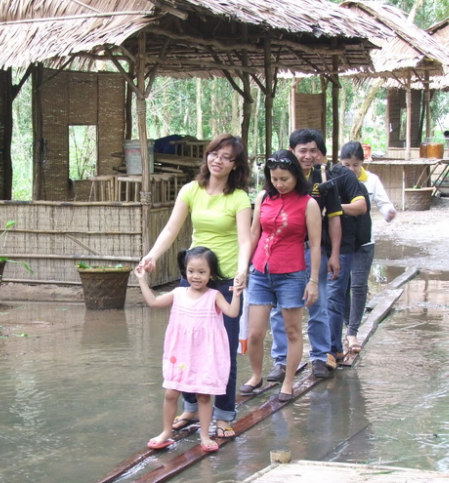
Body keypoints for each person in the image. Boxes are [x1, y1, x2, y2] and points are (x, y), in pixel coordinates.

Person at [139, 134, 251, 438]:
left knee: (223, 351)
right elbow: (171, 229)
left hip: (227, 281)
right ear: (208, 156)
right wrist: (151, 256)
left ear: (235, 165)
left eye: (227, 157)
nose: (218, 160)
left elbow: (245, 239)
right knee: (187, 345)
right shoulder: (192, 190)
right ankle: (190, 407)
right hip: (194, 278)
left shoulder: (239, 197)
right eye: (215, 153)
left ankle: (224, 414)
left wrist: (242, 271)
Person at [135, 247, 243, 452]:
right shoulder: (178, 293)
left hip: (204, 355)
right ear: (185, 271)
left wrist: (236, 293)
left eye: (202, 272)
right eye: (191, 271)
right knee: (170, 393)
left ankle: (204, 435)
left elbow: (232, 312)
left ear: (211, 274)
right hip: (180, 354)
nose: (196, 276)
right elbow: (153, 302)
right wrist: (141, 279)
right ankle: (166, 432)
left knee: (203, 396)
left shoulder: (214, 296)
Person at [241, 150, 321, 402]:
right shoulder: (264, 196)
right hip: (260, 272)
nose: (279, 184)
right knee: (255, 332)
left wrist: (314, 281)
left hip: (292, 274)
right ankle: (256, 375)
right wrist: (243, 268)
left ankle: (288, 382)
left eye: (284, 178)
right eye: (275, 178)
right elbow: (254, 233)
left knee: (293, 330)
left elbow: (316, 244)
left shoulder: (309, 203)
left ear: (296, 175)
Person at [267, 129, 341, 381]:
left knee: (317, 302)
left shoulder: (324, 179)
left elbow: (333, 220)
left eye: (313, 151)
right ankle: (281, 360)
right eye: (302, 151)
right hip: (282, 251)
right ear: (291, 151)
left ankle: (320, 356)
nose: (308, 156)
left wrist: (335, 255)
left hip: (313, 249)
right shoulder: (277, 180)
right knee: (279, 307)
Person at [339, 141, 396, 354]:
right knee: (342, 286)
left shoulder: (372, 181)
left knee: (359, 285)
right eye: (346, 165)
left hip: (364, 242)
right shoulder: (336, 181)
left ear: (363, 163)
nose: (351, 169)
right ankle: (347, 324)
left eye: (355, 165)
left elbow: (384, 203)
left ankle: (353, 331)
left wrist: (389, 213)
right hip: (341, 242)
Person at [323, 161, 370, 363]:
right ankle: (327, 347)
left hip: (349, 245)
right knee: (330, 296)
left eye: (354, 164)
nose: (350, 167)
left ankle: (338, 344)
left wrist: (333, 207)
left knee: (344, 292)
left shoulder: (343, 177)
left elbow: (362, 207)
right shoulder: (297, 177)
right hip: (317, 247)